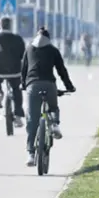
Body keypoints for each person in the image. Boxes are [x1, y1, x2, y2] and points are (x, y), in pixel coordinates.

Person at [21, 27, 76, 166]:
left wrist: (23, 84)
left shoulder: (29, 49)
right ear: (49, 39)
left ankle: (31, 154)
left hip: (32, 86)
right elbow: (61, 70)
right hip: (49, 85)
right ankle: (55, 124)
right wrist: (69, 87)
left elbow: (23, 69)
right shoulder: (53, 50)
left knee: (32, 120)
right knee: (53, 107)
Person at [0, 16, 26, 128]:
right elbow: (22, 54)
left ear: (0, 25)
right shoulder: (17, 39)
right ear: (11, 25)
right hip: (15, 70)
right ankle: (18, 117)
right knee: (17, 90)